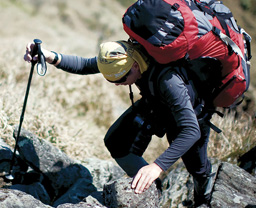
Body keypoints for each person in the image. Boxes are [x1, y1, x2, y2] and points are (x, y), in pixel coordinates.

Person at [24, 40, 215, 207]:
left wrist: (156, 167)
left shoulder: (169, 81)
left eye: (120, 79)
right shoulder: (122, 54)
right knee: (117, 141)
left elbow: (191, 131)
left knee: (197, 168)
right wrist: (48, 56)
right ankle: (152, 190)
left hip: (191, 115)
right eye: (111, 79)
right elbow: (84, 65)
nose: (116, 84)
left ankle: (203, 199)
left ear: (134, 66)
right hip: (155, 101)